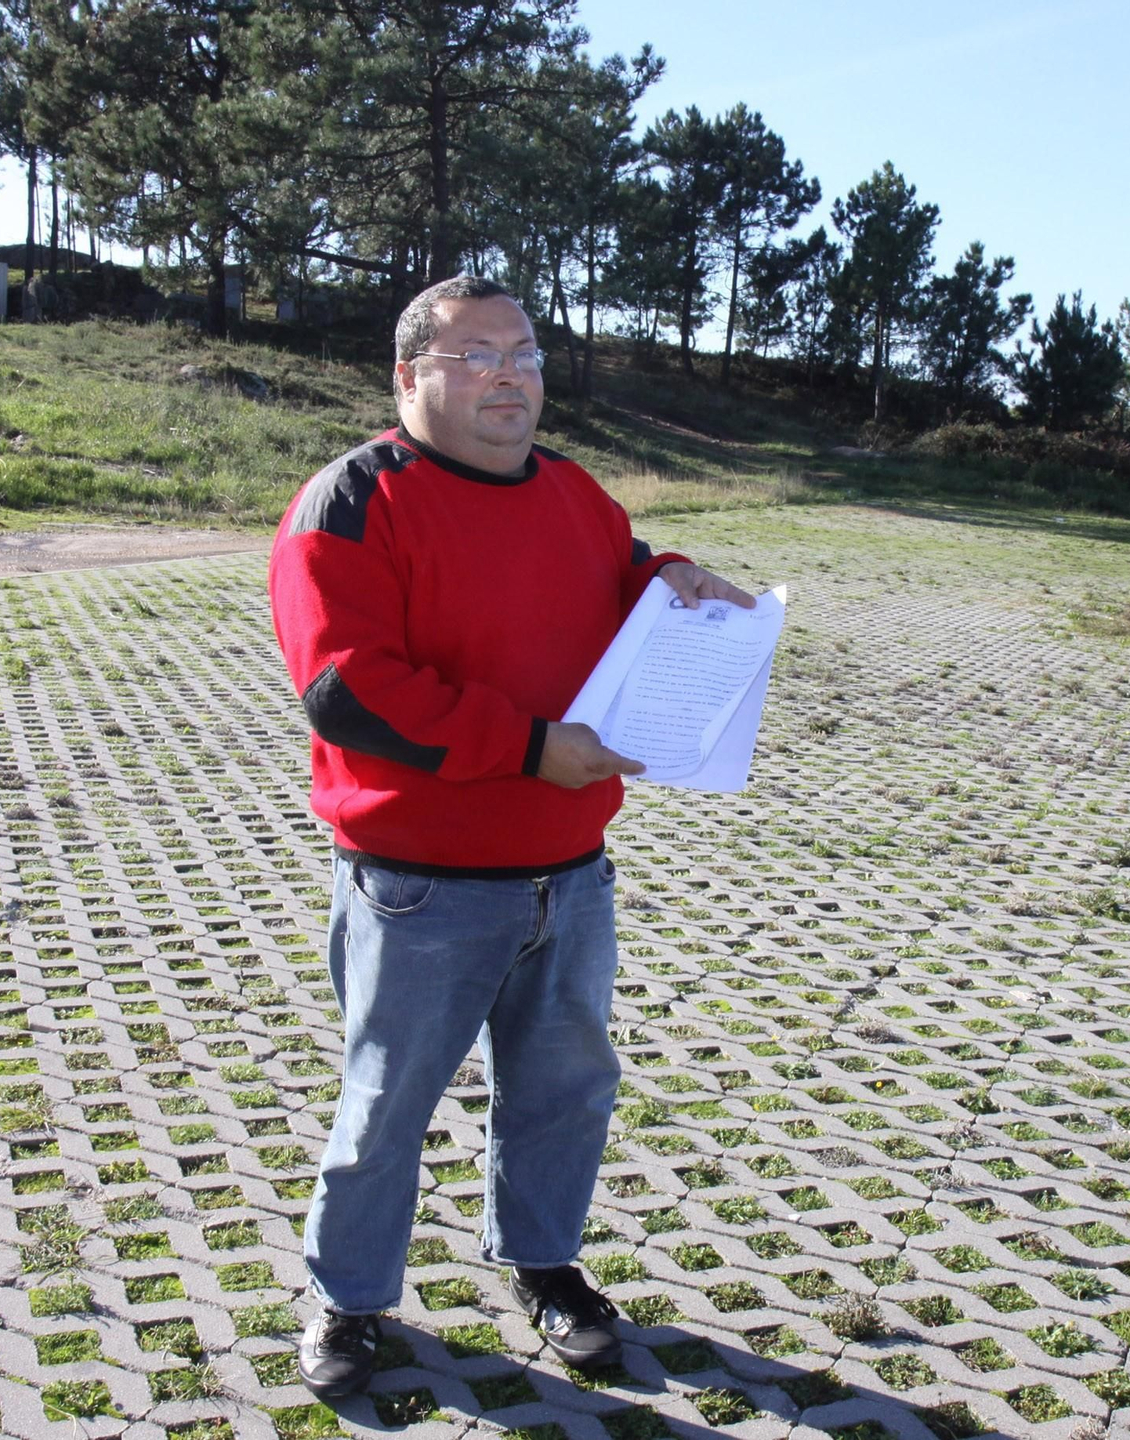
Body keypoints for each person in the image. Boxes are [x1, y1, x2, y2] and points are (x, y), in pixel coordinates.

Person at [268, 275, 753, 1403]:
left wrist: (665, 575)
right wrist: (531, 748)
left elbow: (614, 579)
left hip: (569, 876)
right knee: (385, 1101)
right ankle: (348, 1300)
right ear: (409, 375)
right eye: (475, 352)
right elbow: (348, 690)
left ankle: (542, 1262)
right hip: (419, 887)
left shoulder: (576, 494)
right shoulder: (350, 500)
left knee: (563, 1087)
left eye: (525, 353)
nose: (508, 374)